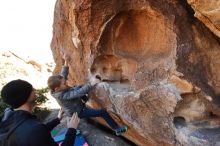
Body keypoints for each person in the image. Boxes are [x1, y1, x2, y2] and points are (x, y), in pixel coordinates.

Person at [47, 52, 127, 136]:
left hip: (75, 104)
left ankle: (85, 100)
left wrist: (66, 61)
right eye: (64, 84)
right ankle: (117, 129)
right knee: (102, 112)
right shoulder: (62, 96)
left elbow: (63, 74)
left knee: (79, 87)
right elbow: (78, 93)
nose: (66, 83)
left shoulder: (58, 88)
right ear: (57, 88)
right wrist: (92, 83)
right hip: (78, 112)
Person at [0, 79, 80, 146]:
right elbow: (36, 132)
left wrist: (57, 119)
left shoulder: (8, 116)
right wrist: (72, 129)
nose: (35, 90)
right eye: (32, 89)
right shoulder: (34, 130)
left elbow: (39, 132)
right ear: (26, 96)